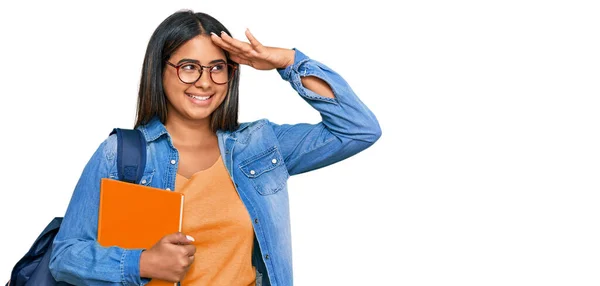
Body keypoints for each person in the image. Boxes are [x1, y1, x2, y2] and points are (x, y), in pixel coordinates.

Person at [49, 9, 381, 286]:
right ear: (159, 70)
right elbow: (64, 257)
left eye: (217, 68)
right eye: (189, 67)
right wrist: (143, 263)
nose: (205, 82)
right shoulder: (122, 154)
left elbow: (358, 129)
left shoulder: (261, 146)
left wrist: (288, 61)